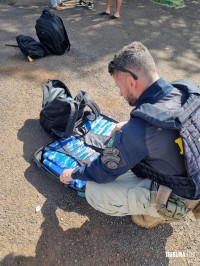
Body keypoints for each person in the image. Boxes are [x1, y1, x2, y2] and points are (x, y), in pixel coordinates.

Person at [60, 42, 200, 228]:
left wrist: (74, 173)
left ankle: (158, 213)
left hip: (184, 196)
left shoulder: (141, 128)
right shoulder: (186, 92)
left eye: (119, 86)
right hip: (193, 174)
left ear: (131, 82)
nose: (119, 93)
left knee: (93, 190)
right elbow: (172, 126)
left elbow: (104, 171)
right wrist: (132, 130)